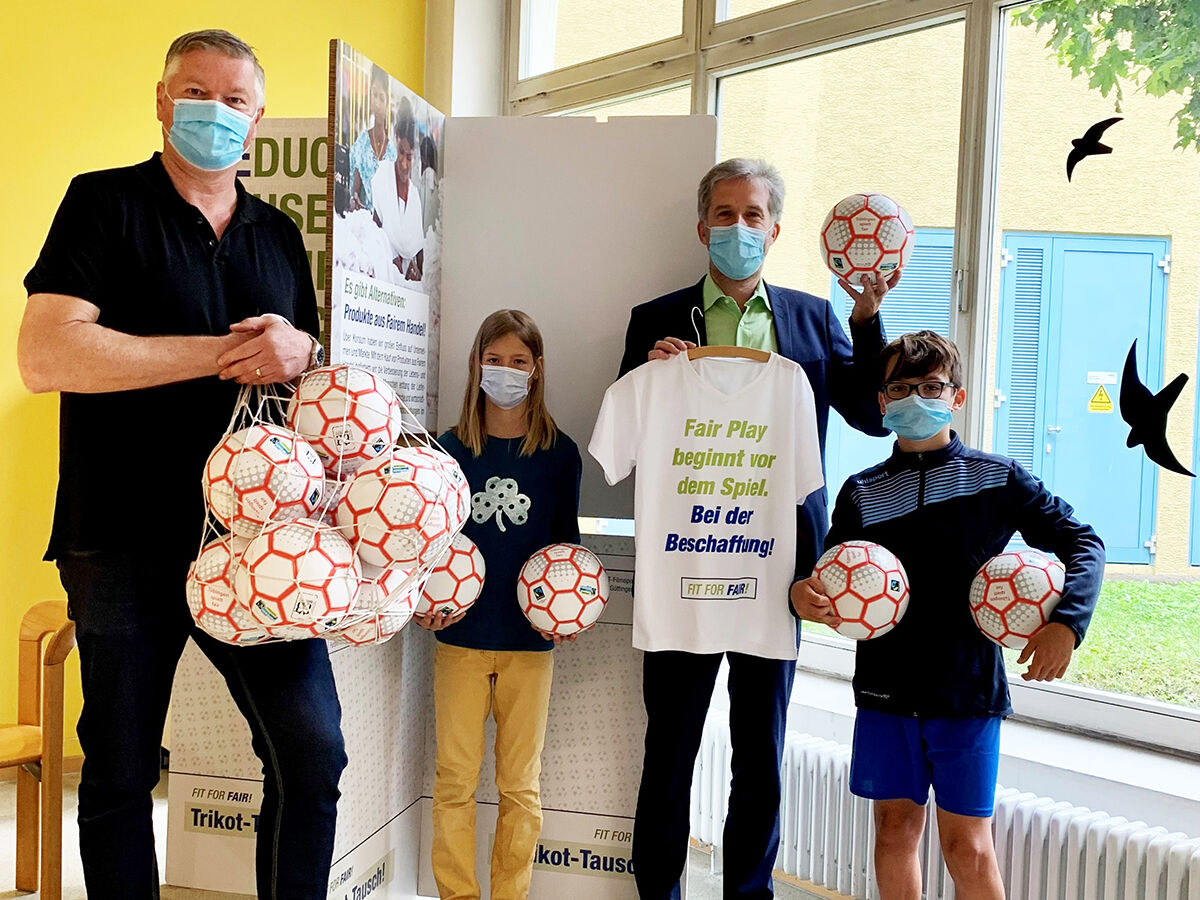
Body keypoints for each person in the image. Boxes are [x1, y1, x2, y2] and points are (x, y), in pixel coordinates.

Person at [18, 30, 342, 900]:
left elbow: (297, 383)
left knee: (312, 754)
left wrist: (306, 353)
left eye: (235, 100)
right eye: (196, 93)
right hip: (121, 536)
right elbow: (46, 355)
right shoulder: (103, 203)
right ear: (161, 102)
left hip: (258, 544)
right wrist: (223, 354)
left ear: (258, 118)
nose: (215, 112)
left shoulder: (278, 234)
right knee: (121, 769)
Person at [617, 157, 895, 899]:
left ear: (774, 231)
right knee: (669, 750)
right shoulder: (654, 320)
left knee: (760, 755)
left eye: (753, 215)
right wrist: (648, 377)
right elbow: (627, 441)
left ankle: (748, 894)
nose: (738, 228)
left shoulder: (812, 319)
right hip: (684, 567)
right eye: (725, 213)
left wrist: (866, 321)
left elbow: (871, 416)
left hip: (781, 572)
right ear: (701, 225)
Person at [791, 331, 1104, 900]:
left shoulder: (998, 477)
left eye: (931, 386)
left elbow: (1084, 542)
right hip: (886, 690)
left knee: (968, 847)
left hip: (967, 692)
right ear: (881, 401)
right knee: (894, 831)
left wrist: (1068, 622)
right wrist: (804, 594)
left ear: (956, 397)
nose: (915, 398)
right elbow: (829, 574)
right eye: (900, 388)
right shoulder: (861, 491)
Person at [419, 309, 583, 900]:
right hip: (460, 639)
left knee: (520, 786)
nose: (506, 371)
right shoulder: (447, 449)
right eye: (495, 360)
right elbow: (427, 545)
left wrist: (570, 613)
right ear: (476, 364)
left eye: (518, 361)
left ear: (536, 369)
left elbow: (567, 549)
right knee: (454, 782)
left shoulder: (559, 453)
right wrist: (422, 604)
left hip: (529, 645)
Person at [372, 96, 424, 282]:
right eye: (401, 153)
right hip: (385, 272)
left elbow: (418, 249)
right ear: (396, 140)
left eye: (409, 157)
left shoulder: (414, 196)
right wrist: (391, 258)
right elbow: (375, 230)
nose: (404, 164)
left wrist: (418, 273)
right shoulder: (382, 176)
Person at [349, 64, 396, 212]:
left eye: (381, 98)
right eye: (374, 95)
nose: (377, 103)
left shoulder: (393, 151)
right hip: (365, 217)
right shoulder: (361, 144)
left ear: (387, 103)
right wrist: (354, 197)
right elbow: (354, 187)